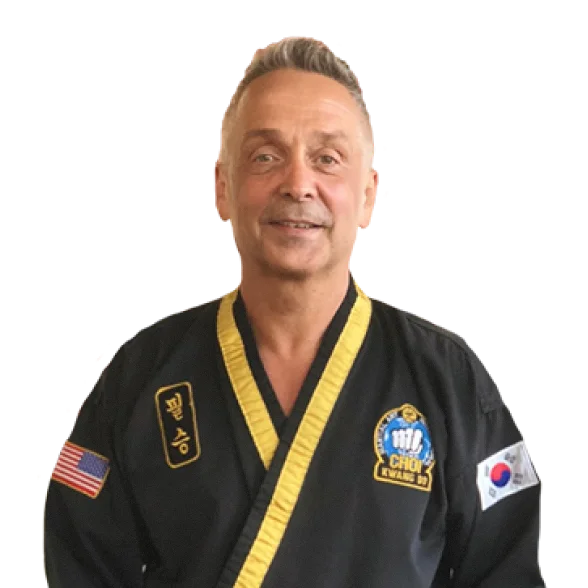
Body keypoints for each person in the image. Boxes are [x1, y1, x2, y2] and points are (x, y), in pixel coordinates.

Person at [44, 35, 545, 587]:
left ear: (368, 194)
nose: (298, 184)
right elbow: (80, 565)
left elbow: (507, 572)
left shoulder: (450, 379)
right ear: (222, 188)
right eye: (265, 157)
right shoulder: (138, 377)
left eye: (327, 159)